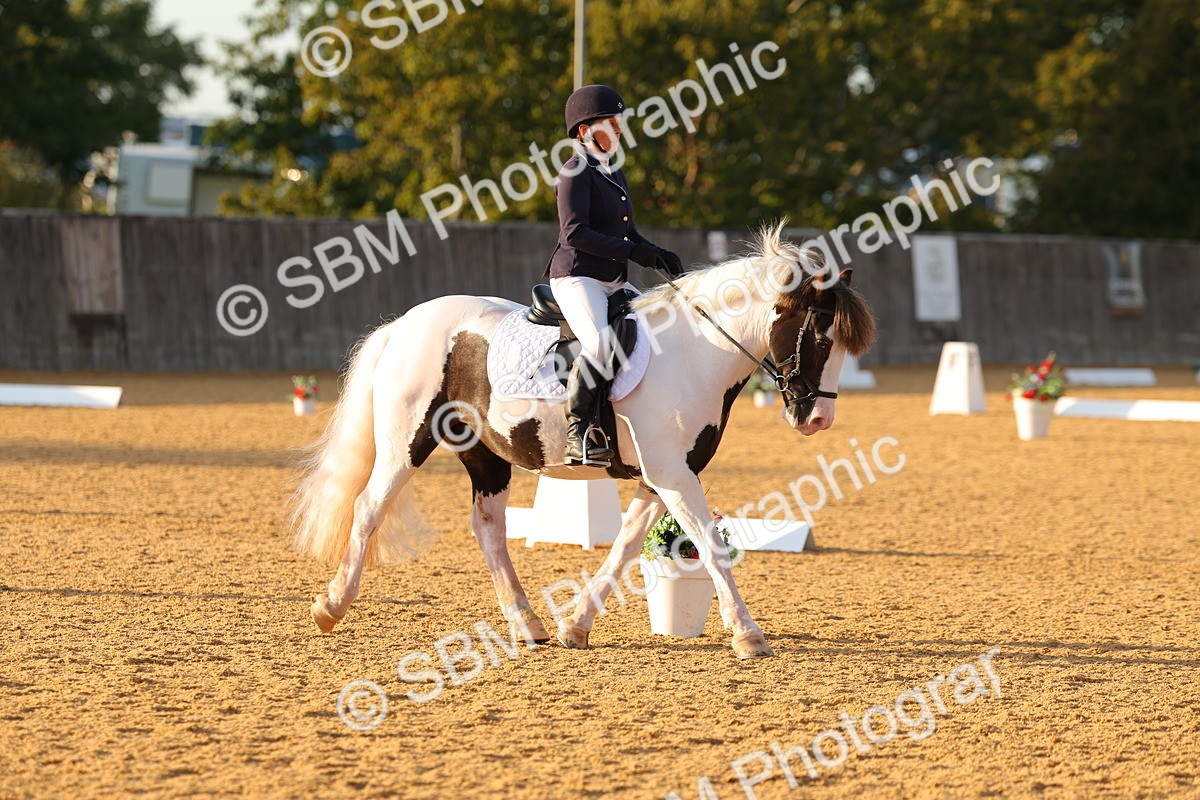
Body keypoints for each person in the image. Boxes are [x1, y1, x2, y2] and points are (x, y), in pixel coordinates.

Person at [544, 84, 685, 467]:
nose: (620, 130)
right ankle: (579, 433)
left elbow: (626, 233)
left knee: (658, 327)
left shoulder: (612, 170)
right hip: (578, 277)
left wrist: (653, 252)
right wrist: (631, 252)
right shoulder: (575, 171)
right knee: (601, 345)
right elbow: (574, 232)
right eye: (613, 122)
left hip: (613, 279)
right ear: (586, 129)